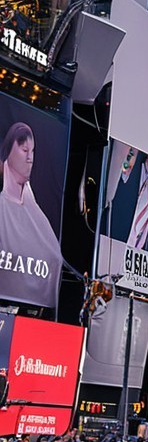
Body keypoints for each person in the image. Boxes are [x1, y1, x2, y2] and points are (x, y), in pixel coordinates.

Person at [0, 121, 63, 308]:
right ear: (8, 151)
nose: (30, 158)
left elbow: (55, 258)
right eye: (24, 150)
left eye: (32, 151)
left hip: (34, 313)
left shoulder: (37, 216)